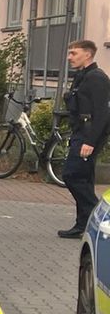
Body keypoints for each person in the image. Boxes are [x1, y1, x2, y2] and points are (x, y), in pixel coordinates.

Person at [59, 39, 110, 238]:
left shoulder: (97, 78)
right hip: (81, 132)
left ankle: (99, 217)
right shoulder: (82, 76)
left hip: (88, 136)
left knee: (72, 175)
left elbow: (102, 114)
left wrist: (90, 141)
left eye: (74, 53)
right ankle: (83, 225)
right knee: (84, 179)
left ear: (87, 54)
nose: (69, 57)